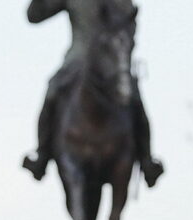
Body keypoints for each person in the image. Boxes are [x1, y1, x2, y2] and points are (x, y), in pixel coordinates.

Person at [21, 0, 164, 187]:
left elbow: (130, 22)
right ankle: (42, 154)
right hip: (77, 60)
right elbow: (35, 15)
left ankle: (147, 160)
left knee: (135, 101)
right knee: (52, 92)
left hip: (112, 65)